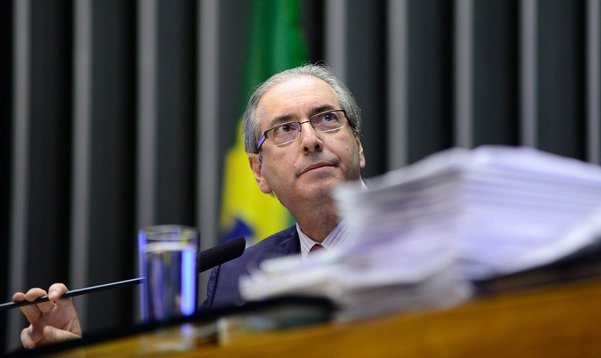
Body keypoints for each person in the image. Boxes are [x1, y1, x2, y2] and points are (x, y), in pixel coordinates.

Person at [12, 64, 366, 348]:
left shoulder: (418, 242)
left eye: (327, 118)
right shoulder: (235, 277)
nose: (310, 140)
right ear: (259, 171)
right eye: (285, 128)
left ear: (358, 145)